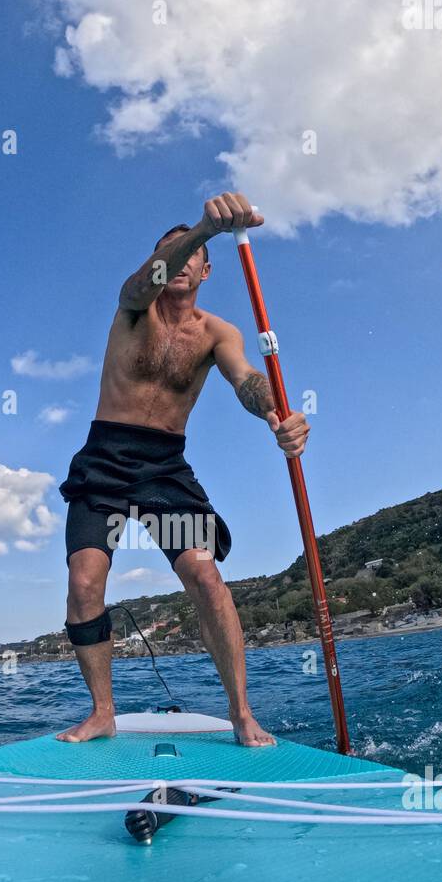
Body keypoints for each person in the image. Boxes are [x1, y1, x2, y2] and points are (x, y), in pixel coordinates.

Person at [57, 191, 310, 747]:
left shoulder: (218, 333)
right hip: (104, 460)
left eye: (191, 253)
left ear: (207, 269)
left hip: (164, 468)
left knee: (204, 574)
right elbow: (142, 280)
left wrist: (277, 411)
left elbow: (245, 379)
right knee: (83, 582)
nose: (178, 260)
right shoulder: (132, 310)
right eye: (168, 253)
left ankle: (242, 713)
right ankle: (102, 712)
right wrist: (201, 229)